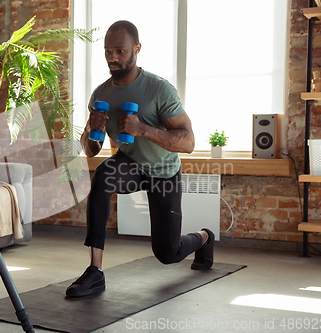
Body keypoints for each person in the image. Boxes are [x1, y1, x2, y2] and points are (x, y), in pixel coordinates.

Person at [66, 20, 214, 298]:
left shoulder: (159, 89)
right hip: (130, 164)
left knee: (167, 253)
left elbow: (189, 142)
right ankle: (95, 271)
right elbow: (90, 150)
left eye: (120, 51)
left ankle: (205, 238)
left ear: (137, 49)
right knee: (103, 175)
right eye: (108, 51)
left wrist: (142, 129)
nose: (112, 58)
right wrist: (92, 128)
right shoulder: (101, 94)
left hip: (164, 172)